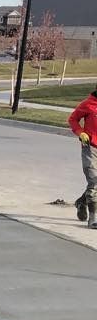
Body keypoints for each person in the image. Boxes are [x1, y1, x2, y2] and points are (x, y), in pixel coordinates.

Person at [68, 86, 97, 228]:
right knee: (94, 180)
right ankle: (93, 219)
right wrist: (80, 132)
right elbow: (73, 119)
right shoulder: (88, 104)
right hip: (90, 147)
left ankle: (81, 202)